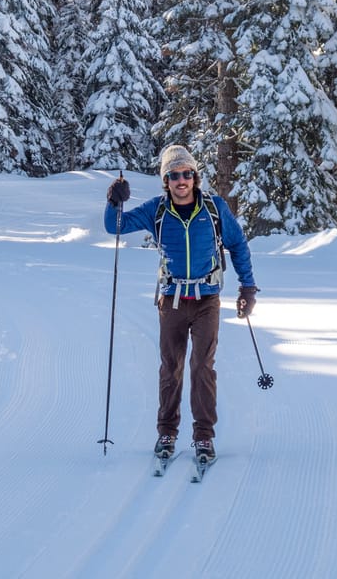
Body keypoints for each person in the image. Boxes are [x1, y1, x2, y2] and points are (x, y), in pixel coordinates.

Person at [104, 146, 257, 463]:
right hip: (171, 301)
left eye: (186, 173)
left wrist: (248, 287)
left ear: (195, 176)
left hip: (207, 300)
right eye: (174, 175)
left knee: (202, 368)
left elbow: (238, 244)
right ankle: (167, 434)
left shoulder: (214, 208)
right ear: (166, 180)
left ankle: (204, 437)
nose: (181, 180)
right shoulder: (157, 210)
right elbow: (115, 226)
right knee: (170, 369)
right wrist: (113, 201)